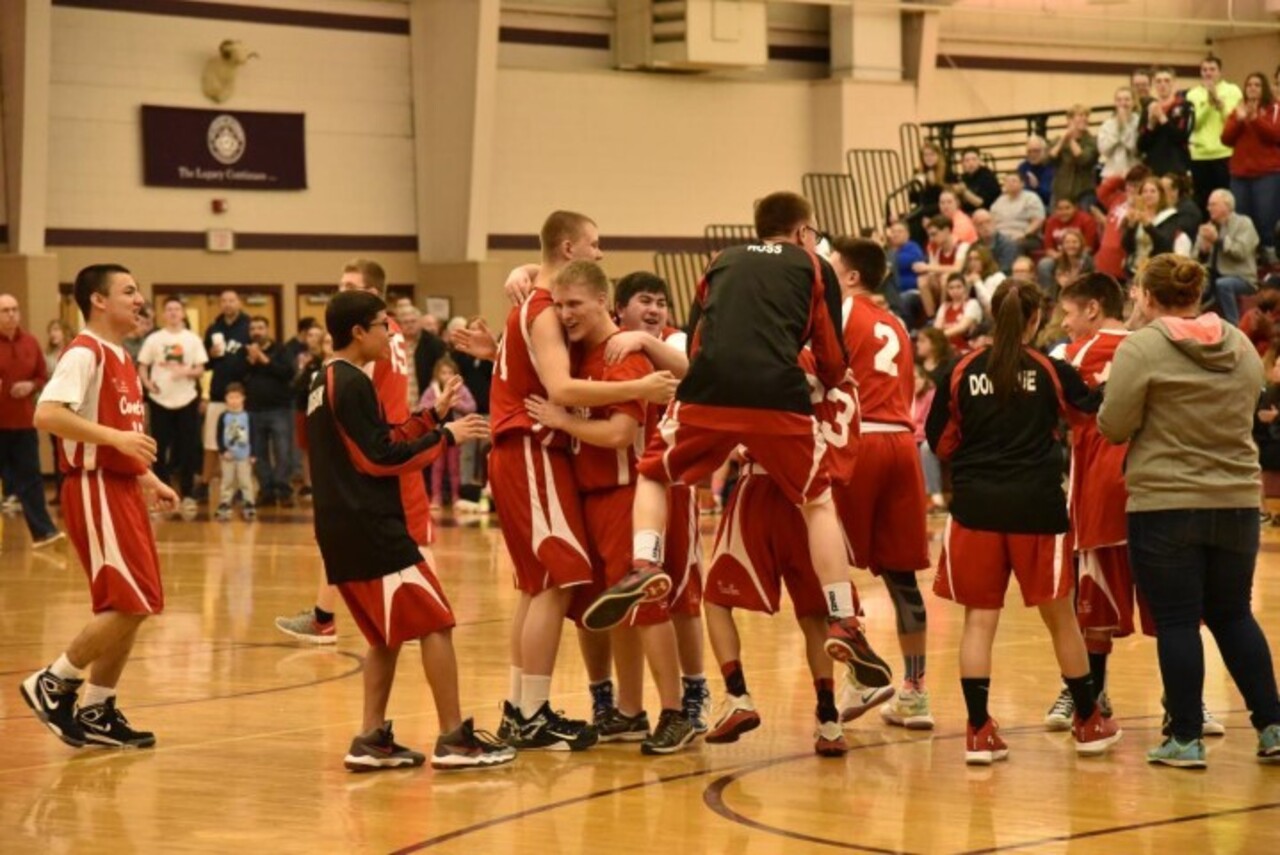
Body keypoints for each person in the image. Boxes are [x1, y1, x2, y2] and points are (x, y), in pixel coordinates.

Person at [582, 192, 892, 696]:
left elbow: (701, 340)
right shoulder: (813, 267)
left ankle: (643, 564)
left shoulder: (719, 262)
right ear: (801, 233)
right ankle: (843, 618)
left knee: (653, 473)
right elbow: (831, 356)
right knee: (817, 504)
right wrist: (827, 378)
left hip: (713, 388)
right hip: (777, 394)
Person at [452, 211, 677, 751]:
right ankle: (531, 712)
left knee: (545, 587)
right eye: (595, 245)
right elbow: (559, 387)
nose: (601, 255)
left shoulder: (542, 306)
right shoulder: (545, 309)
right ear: (572, 247)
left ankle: (524, 709)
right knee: (557, 583)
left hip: (553, 461)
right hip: (533, 449)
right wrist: (644, 384)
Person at [306, 288, 513, 771]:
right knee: (436, 623)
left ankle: (370, 737)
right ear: (358, 332)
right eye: (383, 325)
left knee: (385, 635)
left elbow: (376, 440)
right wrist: (446, 437)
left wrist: (430, 418)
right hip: (371, 529)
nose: (390, 333)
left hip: (343, 528)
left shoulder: (326, 380)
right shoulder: (350, 382)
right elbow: (378, 460)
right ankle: (453, 738)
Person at [926, 278, 1121, 765]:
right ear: (1036, 319)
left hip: (975, 511)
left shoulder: (959, 369)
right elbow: (1092, 413)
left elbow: (939, 442)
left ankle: (978, 731)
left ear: (993, 314)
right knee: (1062, 623)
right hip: (1037, 509)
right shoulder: (1052, 370)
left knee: (979, 622)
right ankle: (1089, 722)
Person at [1097, 253, 1280, 767]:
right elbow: (1247, 409)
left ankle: (1184, 738)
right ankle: (1273, 726)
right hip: (1238, 500)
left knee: (1177, 620)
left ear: (1149, 296)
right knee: (1234, 614)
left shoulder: (1143, 347)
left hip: (1166, 502)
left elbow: (1113, 425)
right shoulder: (1240, 343)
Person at [521, 261, 698, 755]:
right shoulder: (578, 355)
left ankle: (676, 711)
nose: (564, 313)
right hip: (595, 496)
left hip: (628, 492)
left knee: (646, 603)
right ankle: (629, 711)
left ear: (603, 301)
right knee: (615, 611)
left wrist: (562, 419)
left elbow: (620, 434)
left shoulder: (623, 353)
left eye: (573, 304)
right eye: (558, 305)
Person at [22, 264, 180, 749]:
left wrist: (148, 476)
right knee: (128, 602)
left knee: (137, 602)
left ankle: (96, 708)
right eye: (129, 291)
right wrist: (116, 439)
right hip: (93, 488)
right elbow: (46, 413)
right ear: (98, 300)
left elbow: (119, 440)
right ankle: (54, 681)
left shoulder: (123, 357)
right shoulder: (84, 352)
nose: (139, 299)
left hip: (122, 487)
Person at [701, 347, 861, 757]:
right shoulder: (831, 365)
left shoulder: (762, 349)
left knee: (716, 600)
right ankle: (828, 721)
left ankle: (736, 696)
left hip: (762, 486)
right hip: (812, 496)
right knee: (816, 615)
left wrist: (738, 440)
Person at [275, 259, 435, 643]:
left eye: (350, 285)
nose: (340, 291)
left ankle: (422, 616)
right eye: (340, 284)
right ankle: (326, 615)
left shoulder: (367, 343)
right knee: (353, 538)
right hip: (389, 439)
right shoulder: (390, 332)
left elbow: (353, 396)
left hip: (384, 446)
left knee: (408, 540)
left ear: (373, 294)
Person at [1041, 273, 1159, 730]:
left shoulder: (1071, 356)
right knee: (1172, 608)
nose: (1065, 324)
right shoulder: (1151, 346)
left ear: (1092, 309)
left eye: (1068, 314)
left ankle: (1089, 696)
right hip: (1153, 489)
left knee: (1092, 610)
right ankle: (1185, 701)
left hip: (1097, 493)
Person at [829, 238, 935, 731]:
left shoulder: (843, 308)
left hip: (862, 441)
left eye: (833, 265)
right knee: (902, 579)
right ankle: (915, 693)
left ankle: (861, 672)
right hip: (902, 446)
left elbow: (816, 373)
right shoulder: (897, 323)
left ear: (851, 277)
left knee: (828, 566)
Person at [598, 271, 709, 734]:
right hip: (621, 489)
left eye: (662, 302)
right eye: (645, 300)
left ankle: (694, 694)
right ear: (618, 308)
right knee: (628, 601)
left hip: (673, 486)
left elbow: (689, 367)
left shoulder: (672, 340)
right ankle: (626, 706)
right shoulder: (608, 345)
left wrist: (640, 340)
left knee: (683, 599)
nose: (656, 309)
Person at [0, 294, 64, 547]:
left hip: (24, 423)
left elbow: (41, 375)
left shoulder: (31, 342)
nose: (11, 314)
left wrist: (30, 385)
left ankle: (43, 532)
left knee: (31, 479)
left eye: (14, 309)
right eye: (5, 310)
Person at [137, 297, 207, 516]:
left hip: (186, 399)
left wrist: (185, 372)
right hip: (160, 401)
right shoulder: (154, 339)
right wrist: (147, 385)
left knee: (188, 448)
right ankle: (161, 492)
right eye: (169, 309)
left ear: (183, 313)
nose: (173, 313)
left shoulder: (192, 339)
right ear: (163, 314)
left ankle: (187, 494)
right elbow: (142, 366)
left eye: (177, 309)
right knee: (158, 449)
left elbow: (200, 369)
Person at [1221, 71, 1280, 265]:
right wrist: (1239, 120)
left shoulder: (1275, 109)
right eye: (1249, 85)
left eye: (1257, 85)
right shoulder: (1237, 110)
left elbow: (1275, 136)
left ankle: (1269, 254)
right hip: (1240, 174)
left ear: (1264, 88)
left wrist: (1254, 118)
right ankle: (1247, 258)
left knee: (1265, 218)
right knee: (1242, 218)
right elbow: (1226, 139)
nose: (1252, 88)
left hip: (1267, 174)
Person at [201, 291, 250, 501]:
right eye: (224, 301)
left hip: (243, 396)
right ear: (220, 304)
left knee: (241, 443)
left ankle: (242, 486)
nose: (228, 304)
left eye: (232, 300)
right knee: (212, 442)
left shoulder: (248, 326)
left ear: (238, 302)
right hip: (218, 394)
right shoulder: (214, 328)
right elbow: (205, 364)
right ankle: (204, 484)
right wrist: (210, 355)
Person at [242, 316, 295, 506]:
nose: (256, 332)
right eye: (253, 328)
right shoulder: (245, 351)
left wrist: (263, 359)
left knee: (283, 451)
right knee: (258, 453)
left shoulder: (281, 349)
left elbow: (288, 372)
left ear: (267, 329)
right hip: (253, 410)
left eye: (260, 328)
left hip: (278, 409)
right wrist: (249, 361)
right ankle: (266, 490)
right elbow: (239, 376)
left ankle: (283, 489)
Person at [1186, 54, 1243, 213]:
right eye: (1204, 70)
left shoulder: (1233, 90)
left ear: (1220, 72)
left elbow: (1233, 121)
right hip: (1200, 155)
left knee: (1226, 199)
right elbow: (1194, 124)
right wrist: (1208, 105)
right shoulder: (1193, 94)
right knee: (1203, 201)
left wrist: (1219, 104)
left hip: (1224, 153)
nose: (1208, 73)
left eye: (1212, 69)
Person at [1195, 188, 1259, 326]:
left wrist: (1218, 240)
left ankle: (1235, 326)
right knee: (1192, 283)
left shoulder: (1244, 223)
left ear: (1227, 205)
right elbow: (1195, 258)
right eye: (1208, 205)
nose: (1208, 208)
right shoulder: (1208, 227)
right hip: (1212, 276)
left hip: (1242, 277)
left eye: (1213, 204)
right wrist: (1203, 250)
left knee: (1223, 284)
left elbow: (1241, 251)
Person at [418, 358, 475, 509]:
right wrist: (439, 403)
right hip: (437, 434)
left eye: (450, 372)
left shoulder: (461, 390)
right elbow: (422, 407)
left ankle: (456, 497)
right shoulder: (432, 390)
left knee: (454, 467)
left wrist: (458, 404)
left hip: (455, 435)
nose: (447, 376)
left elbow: (472, 406)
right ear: (437, 374)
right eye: (443, 373)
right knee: (437, 467)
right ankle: (436, 497)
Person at [1123, 176, 1192, 278]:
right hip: (1135, 270)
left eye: (1152, 191)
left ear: (1161, 194)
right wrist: (1131, 226)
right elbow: (1126, 246)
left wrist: (1148, 226)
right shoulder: (1136, 215)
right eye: (1145, 191)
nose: (1148, 195)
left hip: (1157, 272)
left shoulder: (1169, 216)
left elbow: (1165, 245)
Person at [1138, 67, 1194, 179]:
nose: (1162, 85)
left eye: (1166, 80)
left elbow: (1181, 137)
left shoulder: (1185, 106)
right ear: (1153, 84)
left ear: (1174, 83)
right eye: (1158, 81)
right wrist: (1150, 125)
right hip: (1153, 169)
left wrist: (1162, 118)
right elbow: (1141, 146)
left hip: (1176, 167)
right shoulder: (1148, 108)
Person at [215, 383, 256, 521]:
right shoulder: (223, 417)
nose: (234, 401)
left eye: (237, 397)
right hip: (228, 456)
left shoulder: (248, 416)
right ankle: (225, 503)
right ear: (226, 399)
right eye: (230, 397)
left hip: (244, 455)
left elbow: (254, 436)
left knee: (245, 481)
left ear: (243, 398)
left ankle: (249, 503)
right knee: (227, 481)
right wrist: (223, 450)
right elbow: (219, 435)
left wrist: (253, 453)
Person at [917, 215, 970, 318]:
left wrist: (927, 267)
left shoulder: (962, 246)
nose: (931, 239)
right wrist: (930, 272)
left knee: (945, 278)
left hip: (962, 280)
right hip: (942, 281)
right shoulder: (935, 249)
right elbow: (934, 271)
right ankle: (931, 317)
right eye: (930, 235)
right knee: (922, 280)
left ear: (946, 231)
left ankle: (943, 315)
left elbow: (957, 268)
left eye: (934, 234)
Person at [1049, 104, 1100, 208]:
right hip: (1060, 193)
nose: (1084, 119)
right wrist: (1062, 141)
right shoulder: (1058, 140)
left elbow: (1084, 160)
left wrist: (1071, 139)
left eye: (1086, 116)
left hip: (1083, 193)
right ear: (1069, 120)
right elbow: (1049, 159)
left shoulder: (1092, 141)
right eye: (1080, 115)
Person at [44, 319, 73, 503]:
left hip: (70, 408)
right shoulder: (47, 355)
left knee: (70, 451)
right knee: (57, 452)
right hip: (53, 406)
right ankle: (60, 490)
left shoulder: (74, 353)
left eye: (56, 329)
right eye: (50, 331)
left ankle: (71, 491)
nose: (53, 334)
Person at [913, 364, 946, 514]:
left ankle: (935, 496)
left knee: (926, 448)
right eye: (910, 379)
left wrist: (912, 434)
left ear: (924, 378)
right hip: (913, 438)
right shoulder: (906, 397)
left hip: (929, 437)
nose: (914, 382)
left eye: (917, 378)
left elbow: (930, 424)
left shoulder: (931, 395)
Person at [990, 172, 1046, 255]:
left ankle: (1008, 268)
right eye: (1007, 181)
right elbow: (992, 222)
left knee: (1013, 245)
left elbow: (1037, 221)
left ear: (1022, 184)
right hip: (1001, 237)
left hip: (1026, 237)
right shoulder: (998, 201)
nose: (1010, 184)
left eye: (1014, 181)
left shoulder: (1031, 198)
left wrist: (1023, 234)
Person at [886, 221, 927, 328]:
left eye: (899, 231)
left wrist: (890, 260)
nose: (895, 234)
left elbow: (908, 261)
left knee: (902, 301)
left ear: (907, 234)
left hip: (913, 291)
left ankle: (908, 330)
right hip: (895, 293)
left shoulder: (912, 247)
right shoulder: (890, 252)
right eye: (893, 232)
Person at [1098, 87, 1140, 181]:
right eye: (1119, 100)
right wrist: (1118, 129)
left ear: (1133, 102)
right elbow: (1104, 150)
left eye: (1127, 99)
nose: (1123, 103)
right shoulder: (1107, 124)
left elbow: (1134, 148)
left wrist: (1125, 124)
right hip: (1111, 174)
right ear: (1115, 103)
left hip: (1135, 174)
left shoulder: (1139, 122)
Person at [935, 273, 982, 354]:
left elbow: (962, 327)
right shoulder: (944, 307)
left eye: (958, 287)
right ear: (947, 290)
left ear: (965, 288)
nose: (955, 291)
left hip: (967, 350)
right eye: (951, 288)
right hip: (947, 350)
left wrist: (939, 336)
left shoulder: (972, 304)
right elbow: (937, 328)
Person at [952, 146, 1001, 213]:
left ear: (979, 161)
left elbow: (980, 203)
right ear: (962, 163)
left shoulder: (987, 176)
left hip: (986, 212)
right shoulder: (963, 177)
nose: (971, 163)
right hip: (967, 213)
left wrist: (964, 191)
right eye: (967, 160)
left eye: (974, 159)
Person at [963, 243, 1006, 316]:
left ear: (985, 260)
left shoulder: (997, 277)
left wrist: (977, 282)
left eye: (977, 259)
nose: (973, 263)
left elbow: (990, 304)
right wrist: (967, 286)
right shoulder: (968, 277)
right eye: (970, 259)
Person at [1016, 135, 1054, 209]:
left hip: (1046, 205)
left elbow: (1048, 197)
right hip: (1026, 205)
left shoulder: (1051, 166)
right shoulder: (1023, 167)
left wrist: (1036, 187)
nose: (1032, 155)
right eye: (1029, 151)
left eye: (1036, 151)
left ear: (1045, 151)